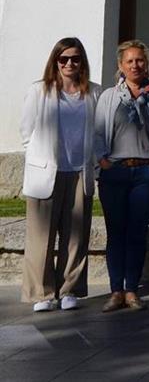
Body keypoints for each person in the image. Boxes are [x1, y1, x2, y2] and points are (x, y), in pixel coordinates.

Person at [21, 38, 100, 313]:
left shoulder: (94, 93)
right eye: (63, 59)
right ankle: (41, 292)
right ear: (55, 61)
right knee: (40, 238)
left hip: (79, 171)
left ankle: (70, 289)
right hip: (46, 173)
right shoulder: (39, 91)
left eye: (75, 58)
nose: (69, 64)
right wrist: (39, 158)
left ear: (82, 62)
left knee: (75, 237)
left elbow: (98, 132)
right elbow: (26, 132)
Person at [95, 40, 149, 313]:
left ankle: (131, 290)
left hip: (145, 171)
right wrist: (103, 161)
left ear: (146, 63)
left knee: (138, 232)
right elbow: (98, 132)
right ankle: (116, 290)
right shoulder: (109, 96)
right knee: (116, 232)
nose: (135, 65)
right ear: (121, 65)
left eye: (140, 60)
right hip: (115, 171)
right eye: (130, 61)